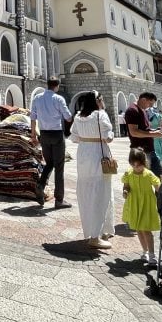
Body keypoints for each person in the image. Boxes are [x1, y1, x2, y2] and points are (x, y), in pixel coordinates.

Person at [69, 91, 114, 249]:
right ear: (97, 101)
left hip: (83, 156)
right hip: (98, 154)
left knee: (87, 193)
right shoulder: (100, 115)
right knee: (101, 192)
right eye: (101, 99)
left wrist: (86, 137)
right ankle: (95, 236)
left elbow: (73, 138)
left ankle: (98, 229)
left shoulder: (78, 117)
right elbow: (108, 137)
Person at [30, 77, 73, 209]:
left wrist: (33, 135)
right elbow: (68, 117)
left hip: (43, 134)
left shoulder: (37, 98)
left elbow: (32, 117)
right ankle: (59, 200)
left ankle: (40, 185)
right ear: (57, 86)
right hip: (56, 134)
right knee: (59, 166)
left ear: (47, 85)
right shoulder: (59, 99)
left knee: (49, 163)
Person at [122, 148, 161, 265]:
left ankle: (152, 255)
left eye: (138, 165)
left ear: (144, 163)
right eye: (133, 165)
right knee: (139, 230)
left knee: (147, 231)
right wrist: (125, 191)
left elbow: (158, 186)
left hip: (147, 205)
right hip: (134, 204)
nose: (136, 167)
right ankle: (144, 252)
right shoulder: (128, 173)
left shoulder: (148, 174)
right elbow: (126, 186)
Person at [125, 91, 162, 178]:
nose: (151, 106)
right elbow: (134, 132)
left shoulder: (142, 110)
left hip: (149, 150)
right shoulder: (132, 110)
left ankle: (161, 192)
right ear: (143, 100)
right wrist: (153, 134)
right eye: (150, 103)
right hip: (141, 152)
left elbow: (144, 129)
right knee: (144, 180)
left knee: (161, 177)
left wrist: (154, 131)